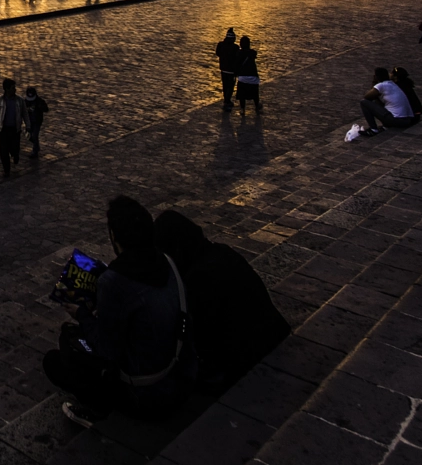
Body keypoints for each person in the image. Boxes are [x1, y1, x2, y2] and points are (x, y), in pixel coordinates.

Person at [44, 196, 188, 424]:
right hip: (177, 371)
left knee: (56, 360)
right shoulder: (166, 261)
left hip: (145, 390)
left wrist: (81, 314)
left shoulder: (114, 281)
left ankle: (96, 407)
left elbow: (106, 349)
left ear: (115, 237)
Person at [153, 210, 289, 393]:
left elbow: (197, 339)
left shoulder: (198, 279)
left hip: (249, 358)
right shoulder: (220, 252)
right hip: (272, 336)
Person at [357, 67, 418, 134]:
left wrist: (374, 81)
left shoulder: (381, 85)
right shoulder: (392, 84)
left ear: (376, 77)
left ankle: (373, 129)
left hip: (397, 120)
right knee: (376, 101)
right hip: (407, 120)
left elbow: (367, 96)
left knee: (364, 102)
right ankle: (385, 126)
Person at [0, 78, 24, 177]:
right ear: (6, 89)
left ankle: (15, 155)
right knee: (3, 150)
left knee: (14, 147)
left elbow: (25, 114)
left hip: (15, 129)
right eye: (12, 88)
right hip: (4, 129)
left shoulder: (19, 100)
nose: (15, 89)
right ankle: (6, 169)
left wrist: (27, 126)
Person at [214, 28, 242, 110]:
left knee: (225, 85)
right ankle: (227, 101)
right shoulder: (235, 47)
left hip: (223, 68)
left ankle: (226, 100)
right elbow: (238, 59)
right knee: (230, 86)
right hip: (232, 70)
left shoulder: (220, 45)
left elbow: (217, 53)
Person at [232, 36, 261, 114]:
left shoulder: (239, 53)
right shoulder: (252, 52)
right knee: (255, 94)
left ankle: (242, 109)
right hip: (253, 77)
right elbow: (254, 54)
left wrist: (235, 74)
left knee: (242, 95)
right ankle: (257, 106)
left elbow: (236, 65)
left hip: (242, 77)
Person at [24, 85, 49, 157]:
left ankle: (35, 151)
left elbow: (46, 109)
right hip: (29, 121)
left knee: (35, 135)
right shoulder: (25, 101)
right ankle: (36, 146)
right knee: (28, 135)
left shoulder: (40, 101)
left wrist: (41, 107)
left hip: (37, 121)